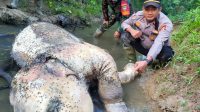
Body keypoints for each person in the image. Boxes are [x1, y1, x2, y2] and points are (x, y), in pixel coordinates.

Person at [121, 0, 174, 73]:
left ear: (159, 10)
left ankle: (154, 65)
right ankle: (132, 62)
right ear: (143, 9)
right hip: (143, 46)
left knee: (167, 56)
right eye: (147, 9)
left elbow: (158, 43)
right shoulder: (138, 15)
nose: (150, 13)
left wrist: (146, 61)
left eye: (153, 9)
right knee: (125, 35)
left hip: (159, 49)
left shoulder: (165, 23)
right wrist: (131, 30)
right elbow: (124, 23)